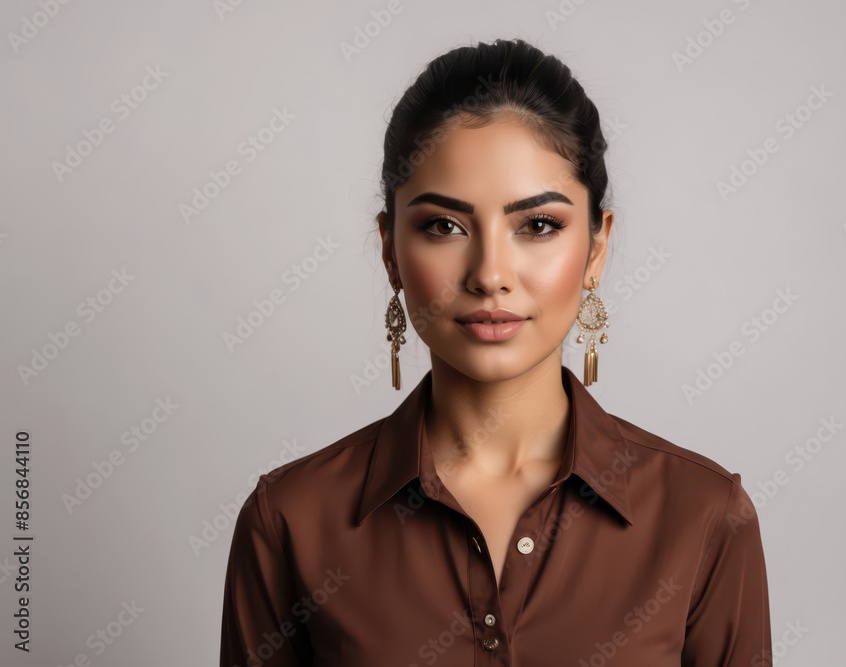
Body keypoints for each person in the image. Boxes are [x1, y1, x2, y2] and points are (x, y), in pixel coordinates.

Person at [220, 37, 772, 667]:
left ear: (596, 249)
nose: (490, 274)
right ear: (389, 251)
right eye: (443, 226)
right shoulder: (290, 523)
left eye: (537, 225)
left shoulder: (702, 519)